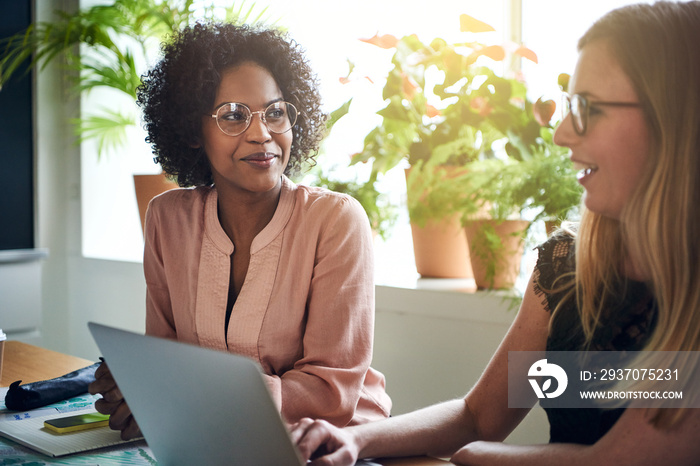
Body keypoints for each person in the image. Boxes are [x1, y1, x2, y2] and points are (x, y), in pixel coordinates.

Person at [291, 2, 700, 464]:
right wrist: (358, 438)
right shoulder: (568, 265)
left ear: (673, 118)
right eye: (570, 106)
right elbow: (477, 416)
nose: (562, 133)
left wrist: (478, 456)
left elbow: (614, 461)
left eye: (587, 108)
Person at [89, 22, 391, 440]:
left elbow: (330, 393)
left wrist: (186, 390)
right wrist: (139, 389)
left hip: (334, 444)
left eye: (275, 112)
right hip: (216, 436)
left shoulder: (336, 221)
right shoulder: (167, 219)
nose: (261, 134)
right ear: (193, 132)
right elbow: (166, 359)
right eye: (233, 116)